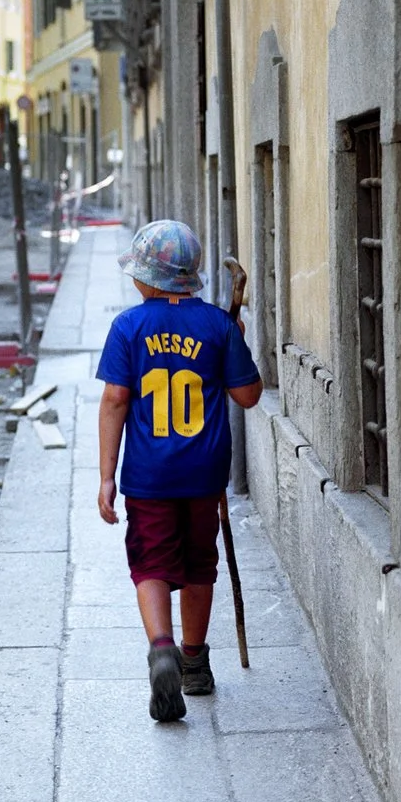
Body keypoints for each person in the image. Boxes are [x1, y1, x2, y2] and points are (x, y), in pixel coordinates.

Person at [94, 220, 262, 724]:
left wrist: (107, 475)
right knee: (197, 564)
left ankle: (161, 647)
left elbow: (115, 400)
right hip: (205, 474)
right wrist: (236, 340)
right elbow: (248, 396)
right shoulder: (216, 325)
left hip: (148, 477)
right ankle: (194, 662)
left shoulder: (128, 327)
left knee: (150, 565)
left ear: (149, 280)